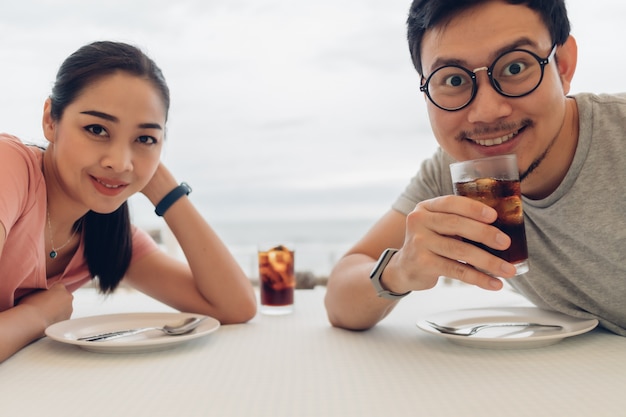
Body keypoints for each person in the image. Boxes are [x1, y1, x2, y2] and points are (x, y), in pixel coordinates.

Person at [325, 0, 626, 334]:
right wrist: (399, 270)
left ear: (564, 66)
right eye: (453, 80)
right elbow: (341, 298)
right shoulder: (459, 172)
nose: (486, 111)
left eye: (515, 68)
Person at [0, 41, 257, 362]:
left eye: (145, 139)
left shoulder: (105, 235)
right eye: (97, 129)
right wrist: (37, 317)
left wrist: (167, 192)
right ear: (51, 121)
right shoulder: (8, 167)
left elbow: (235, 306)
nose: (121, 162)